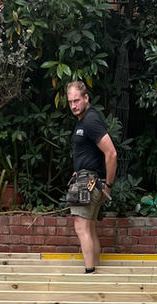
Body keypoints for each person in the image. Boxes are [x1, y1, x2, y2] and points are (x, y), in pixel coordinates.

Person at [66, 80, 117, 273]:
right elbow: (91, 153)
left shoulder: (91, 120)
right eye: (70, 102)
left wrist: (108, 185)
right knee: (90, 228)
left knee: (81, 227)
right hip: (88, 179)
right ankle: (95, 268)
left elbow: (111, 153)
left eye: (77, 100)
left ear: (86, 98)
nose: (73, 105)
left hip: (89, 183)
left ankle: (90, 273)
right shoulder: (85, 120)